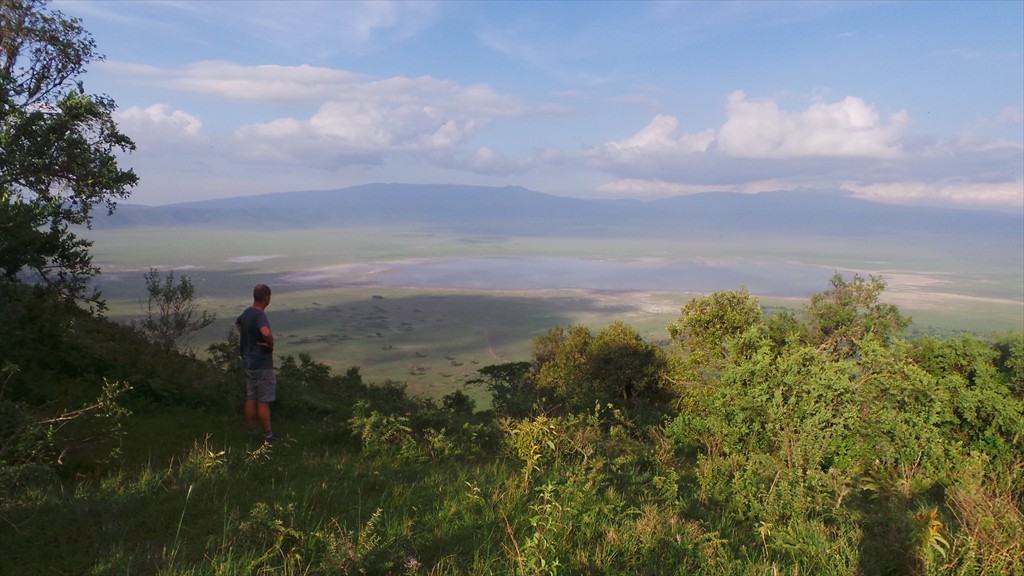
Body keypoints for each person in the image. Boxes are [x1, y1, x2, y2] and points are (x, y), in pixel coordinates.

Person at [235, 284, 277, 444]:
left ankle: (251, 432)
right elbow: (265, 332)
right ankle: (268, 437)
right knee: (263, 401)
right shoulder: (260, 315)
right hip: (261, 364)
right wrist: (270, 344)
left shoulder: (247, 312)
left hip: (248, 363)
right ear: (267, 298)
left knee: (250, 397)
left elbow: (238, 323)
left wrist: (249, 338)